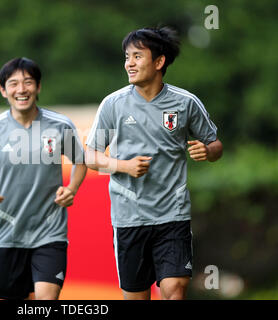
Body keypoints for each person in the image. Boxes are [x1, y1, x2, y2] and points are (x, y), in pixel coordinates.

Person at [85, 27, 223, 300]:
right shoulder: (113, 104)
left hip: (173, 215)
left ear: (159, 62)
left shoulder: (186, 103)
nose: (129, 63)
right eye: (127, 57)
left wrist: (207, 151)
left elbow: (216, 145)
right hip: (128, 218)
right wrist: (123, 166)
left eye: (137, 56)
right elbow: (90, 156)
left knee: (175, 289)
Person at [0, 57, 87, 300]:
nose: (21, 89)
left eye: (28, 82)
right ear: (3, 90)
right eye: (13, 84)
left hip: (50, 234)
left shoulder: (60, 125)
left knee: (45, 300)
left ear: (38, 87)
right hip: (8, 236)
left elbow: (80, 162)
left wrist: (72, 188)